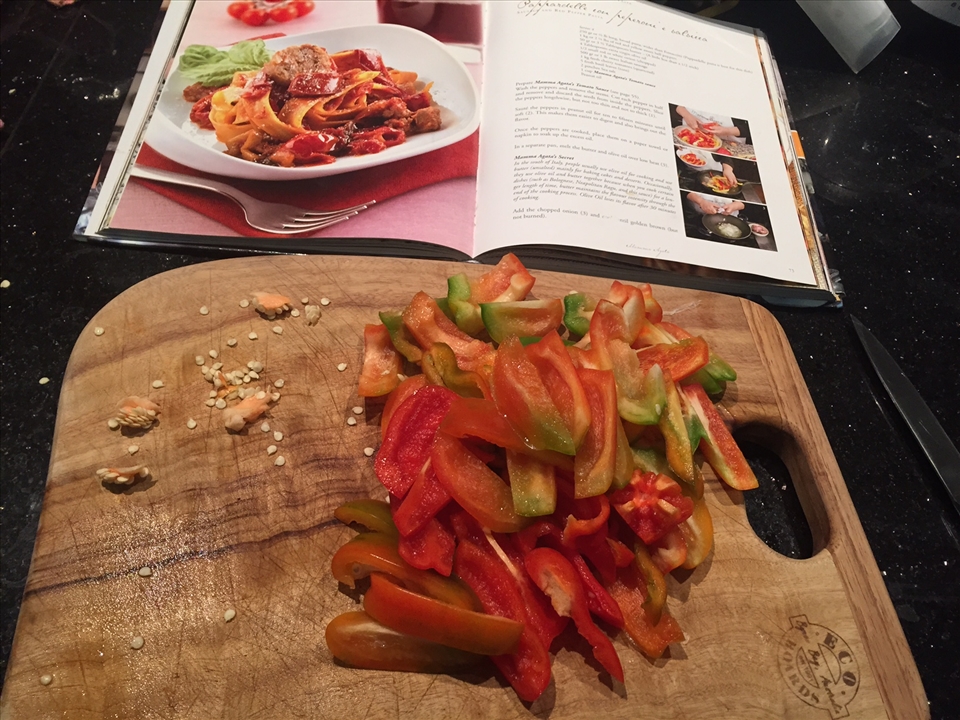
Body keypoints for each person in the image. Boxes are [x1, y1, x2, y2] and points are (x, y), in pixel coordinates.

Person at [676, 106, 745, 144]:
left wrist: (727, 130)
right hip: (687, 137)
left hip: (727, 143)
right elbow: (677, 106)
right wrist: (686, 115)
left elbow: (748, 129)